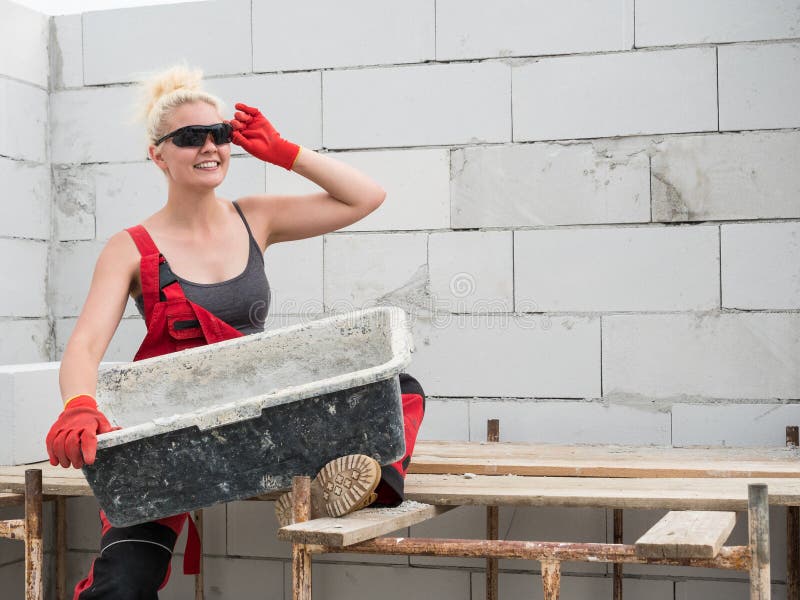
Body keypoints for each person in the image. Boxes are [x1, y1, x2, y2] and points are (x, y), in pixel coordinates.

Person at [43, 65, 425, 599]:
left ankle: (356, 489)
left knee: (400, 390)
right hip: (171, 435)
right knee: (123, 585)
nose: (209, 146)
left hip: (261, 418)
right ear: (158, 155)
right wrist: (79, 404)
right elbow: (85, 344)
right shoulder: (129, 247)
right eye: (189, 137)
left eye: (219, 134)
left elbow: (366, 197)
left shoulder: (255, 218)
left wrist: (285, 152)